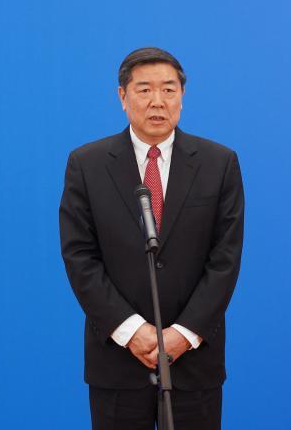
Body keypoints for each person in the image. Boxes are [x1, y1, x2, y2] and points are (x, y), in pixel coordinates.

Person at [59, 47, 245, 430]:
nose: (157, 101)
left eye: (169, 90)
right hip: (118, 361)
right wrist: (132, 332)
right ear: (122, 96)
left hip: (194, 361)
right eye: (144, 90)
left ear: (182, 96)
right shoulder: (87, 164)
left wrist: (182, 335)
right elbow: (80, 257)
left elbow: (225, 259)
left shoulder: (219, 163)